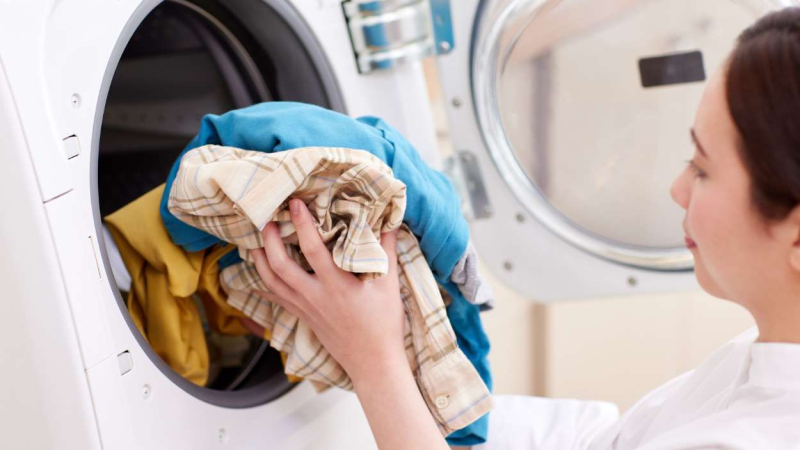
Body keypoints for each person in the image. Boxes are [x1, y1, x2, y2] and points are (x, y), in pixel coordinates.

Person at [247, 7, 800, 450]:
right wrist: (413, 378)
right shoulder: (757, 358)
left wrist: (375, 363)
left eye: (702, 168)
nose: (678, 189)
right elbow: (606, 442)